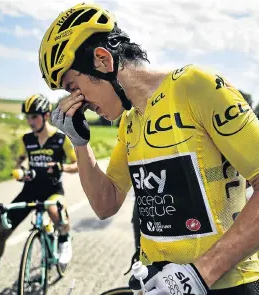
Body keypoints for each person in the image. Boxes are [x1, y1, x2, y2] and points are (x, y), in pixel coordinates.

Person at [39, 3, 259, 294]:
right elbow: (106, 204)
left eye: (72, 86)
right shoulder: (130, 122)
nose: (76, 101)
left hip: (226, 286)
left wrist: (199, 274)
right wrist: (80, 144)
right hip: (159, 283)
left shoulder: (196, 86)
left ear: (103, 60)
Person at [0, 94, 78, 291]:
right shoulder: (26, 139)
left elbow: (77, 165)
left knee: (54, 210)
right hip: (30, 191)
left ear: (46, 115)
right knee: (1, 232)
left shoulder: (61, 140)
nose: (30, 121)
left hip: (52, 191)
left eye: (34, 116)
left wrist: (61, 167)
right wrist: (22, 171)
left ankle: (65, 240)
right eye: (28, 117)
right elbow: (21, 160)